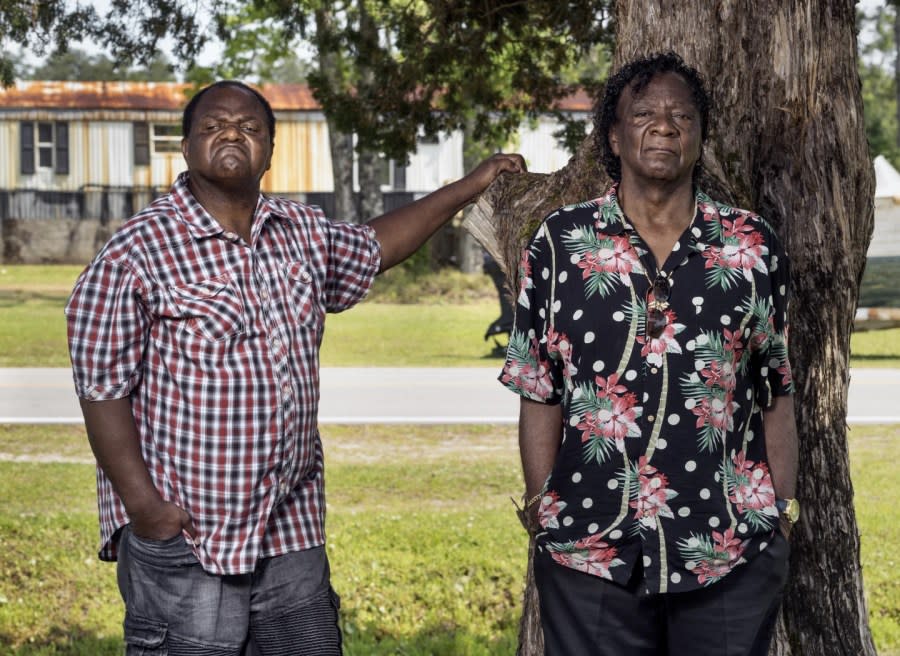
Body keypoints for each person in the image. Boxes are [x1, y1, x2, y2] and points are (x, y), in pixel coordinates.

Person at [66, 80, 525, 655]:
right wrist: (144, 508)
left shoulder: (300, 231)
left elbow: (376, 245)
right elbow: (101, 390)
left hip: (290, 526)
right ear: (185, 147)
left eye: (250, 127)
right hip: (190, 535)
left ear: (270, 150)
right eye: (213, 126)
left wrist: (470, 185)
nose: (232, 134)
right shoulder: (136, 251)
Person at [499, 52, 799, 655]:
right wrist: (540, 507)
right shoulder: (561, 242)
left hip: (727, 547)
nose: (664, 126)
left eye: (681, 116)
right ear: (613, 134)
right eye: (644, 114)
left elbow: (774, 389)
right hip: (589, 547)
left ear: (699, 135)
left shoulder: (752, 245)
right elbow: (540, 387)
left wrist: (781, 516)